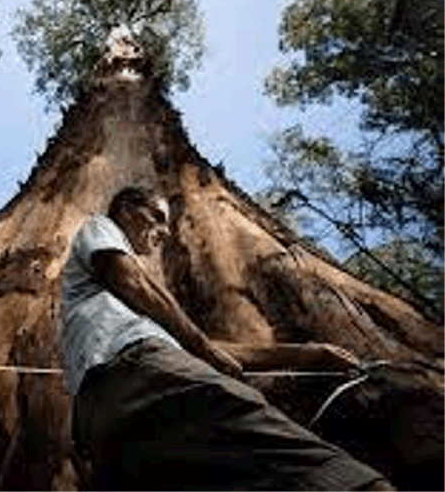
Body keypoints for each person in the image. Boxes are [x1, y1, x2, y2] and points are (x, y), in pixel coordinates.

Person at [61, 186, 395, 491]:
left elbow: (207, 350)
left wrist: (310, 354)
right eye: (158, 218)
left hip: (98, 419)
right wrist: (201, 347)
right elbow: (134, 282)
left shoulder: (134, 315)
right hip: (145, 371)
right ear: (127, 210)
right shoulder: (101, 228)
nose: (164, 233)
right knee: (302, 464)